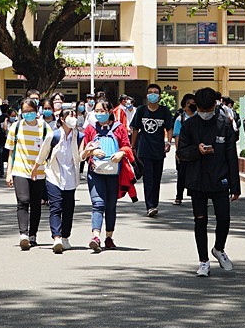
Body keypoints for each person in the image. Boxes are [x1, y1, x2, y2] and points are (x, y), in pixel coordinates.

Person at [176, 87, 241, 276]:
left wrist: (235, 185)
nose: (204, 114)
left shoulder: (225, 124)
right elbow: (181, 152)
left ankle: (219, 248)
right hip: (197, 180)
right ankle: (203, 261)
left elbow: (231, 156)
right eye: (201, 110)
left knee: (224, 218)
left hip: (220, 178)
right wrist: (198, 150)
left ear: (215, 105)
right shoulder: (189, 125)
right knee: (200, 221)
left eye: (208, 110)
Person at [82, 100, 131, 251]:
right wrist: (92, 152)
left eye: (102, 111)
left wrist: (121, 153)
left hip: (113, 172)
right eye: (96, 111)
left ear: (109, 111)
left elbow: (127, 146)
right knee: (98, 204)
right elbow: (83, 151)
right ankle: (95, 236)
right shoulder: (90, 129)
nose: (99, 114)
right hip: (95, 171)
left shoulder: (119, 128)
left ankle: (109, 237)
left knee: (111, 205)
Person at [6, 97, 49, 250]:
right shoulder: (16, 127)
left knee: (36, 204)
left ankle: (33, 234)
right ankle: (23, 234)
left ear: (37, 111)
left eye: (31, 111)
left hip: (39, 171)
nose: (28, 114)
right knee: (23, 200)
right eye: (25, 111)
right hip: (20, 170)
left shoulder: (44, 127)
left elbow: (49, 149)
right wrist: (9, 173)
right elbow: (10, 152)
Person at [42, 109, 82, 253]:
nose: (73, 117)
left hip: (71, 178)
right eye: (70, 115)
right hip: (54, 176)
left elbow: (80, 156)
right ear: (63, 119)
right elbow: (43, 154)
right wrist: (36, 169)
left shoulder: (79, 136)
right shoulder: (54, 135)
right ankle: (57, 237)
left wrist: (89, 150)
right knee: (55, 207)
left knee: (68, 209)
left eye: (74, 115)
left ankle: (65, 237)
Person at [131, 83, 173, 218]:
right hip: (144, 150)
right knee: (148, 178)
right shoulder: (141, 110)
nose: (153, 94)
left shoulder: (164, 111)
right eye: (150, 92)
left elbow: (169, 128)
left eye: (155, 92)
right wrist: (132, 146)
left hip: (158, 150)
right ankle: (150, 206)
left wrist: (168, 142)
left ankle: (154, 203)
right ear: (147, 95)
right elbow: (135, 129)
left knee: (156, 178)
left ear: (159, 96)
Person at [172, 93, 196, 206]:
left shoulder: (198, 117)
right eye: (188, 103)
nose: (191, 105)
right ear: (184, 106)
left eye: (193, 103)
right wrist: (177, 151)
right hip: (184, 150)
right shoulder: (180, 119)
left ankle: (196, 196)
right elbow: (177, 136)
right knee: (181, 174)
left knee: (196, 174)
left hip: (196, 150)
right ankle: (179, 196)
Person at [0, 103, 12, 178]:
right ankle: (3, 171)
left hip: (1, 139)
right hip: (4, 139)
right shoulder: (6, 119)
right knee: (5, 156)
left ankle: (2, 171)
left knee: (1, 156)